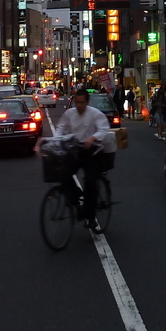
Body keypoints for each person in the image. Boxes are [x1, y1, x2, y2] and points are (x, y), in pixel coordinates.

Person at [56, 88, 113, 233]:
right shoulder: (69, 114)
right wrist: (56, 141)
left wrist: (92, 138)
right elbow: (60, 127)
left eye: (82, 102)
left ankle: (91, 216)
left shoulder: (95, 114)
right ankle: (76, 198)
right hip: (75, 149)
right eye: (77, 102)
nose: (79, 105)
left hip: (93, 150)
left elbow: (104, 129)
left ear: (87, 102)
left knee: (90, 180)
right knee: (63, 175)